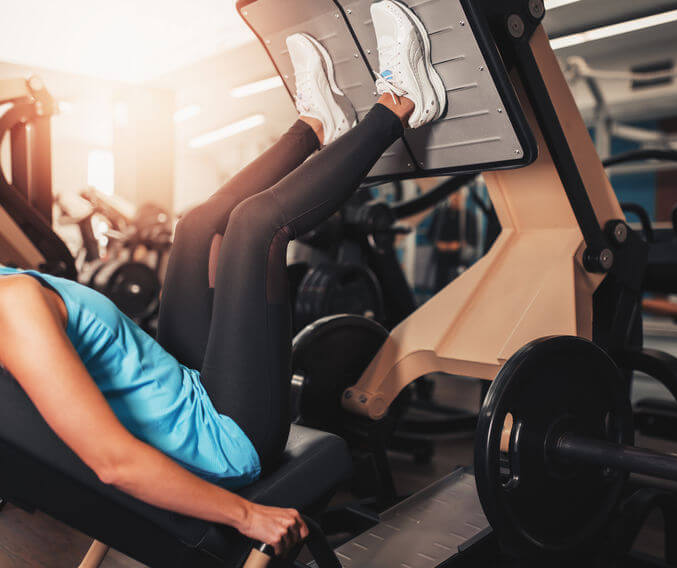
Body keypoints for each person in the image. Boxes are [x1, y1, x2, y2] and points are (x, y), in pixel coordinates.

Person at [0, 0, 445, 558]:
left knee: (196, 228)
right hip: (224, 440)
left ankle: (314, 126)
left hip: (181, 387)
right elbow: (113, 465)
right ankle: (403, 102)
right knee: (256, 227)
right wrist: (249, 516)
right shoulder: (10, 308)